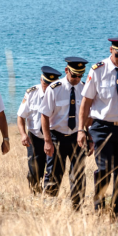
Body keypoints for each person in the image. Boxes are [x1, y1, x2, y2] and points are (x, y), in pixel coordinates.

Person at [80, 37, 118, 216]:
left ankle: (117, 211)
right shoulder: (98, 70)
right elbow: (86, 102)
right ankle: (99, 208)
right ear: (111, 50)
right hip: (102, 127)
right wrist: (81, 130)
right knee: (104, 169)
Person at [39, 57, 90, 210]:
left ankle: (77, 208)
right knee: (54, 174)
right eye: (74, 75)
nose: (77, 79)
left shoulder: (85, 89)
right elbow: (44, 115)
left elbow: (90, 114)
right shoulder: (54, 88)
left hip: (77, 136)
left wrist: (90, 136)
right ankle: (48, 206)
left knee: (78, 175)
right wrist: (47, 141)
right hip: (57, 136)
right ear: (67, 71)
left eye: (80, 75)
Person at [17, 67, 60, 193]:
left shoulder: (60, 92)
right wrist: (23, 134)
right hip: (35, 138)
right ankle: (35, 197)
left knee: (53, 171)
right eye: (45, 83)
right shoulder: (31, 93)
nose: (47, 87)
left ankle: (49, 197)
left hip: (54, 138)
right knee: (34, 171)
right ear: (41, 79)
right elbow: (20, 116)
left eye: (51, 84)